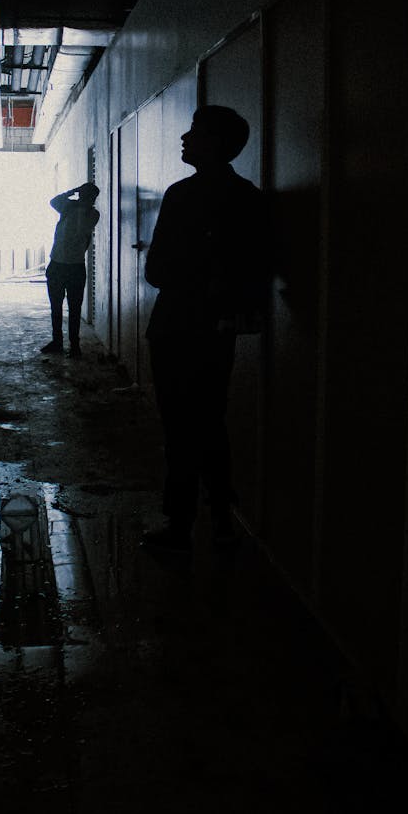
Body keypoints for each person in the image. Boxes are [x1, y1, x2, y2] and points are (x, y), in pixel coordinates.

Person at [141, 105, 266, 555]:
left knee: (178, 427)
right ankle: (221, 522)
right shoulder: (249, 196)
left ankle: (179, 524)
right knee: (211, 422)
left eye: (193, 132)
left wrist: (186, 273)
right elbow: (255, 270)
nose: (184, 138)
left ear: (212, 142)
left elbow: (156, 270)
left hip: (175, 326)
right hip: (217, 331)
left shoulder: (181, 195)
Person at [41, 182, 100, 359]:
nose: (83, 198)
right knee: (56, 306)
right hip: (58, 264)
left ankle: (75, 345)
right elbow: (53, 201)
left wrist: (78, 202)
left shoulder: (92, 214)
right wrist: (72, 192)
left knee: (74, 308)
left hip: (74, 266)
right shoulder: (69, 207)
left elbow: (82, 228)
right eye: (82, 194)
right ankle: (57, 342)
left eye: (86, 195)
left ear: (92, 199)